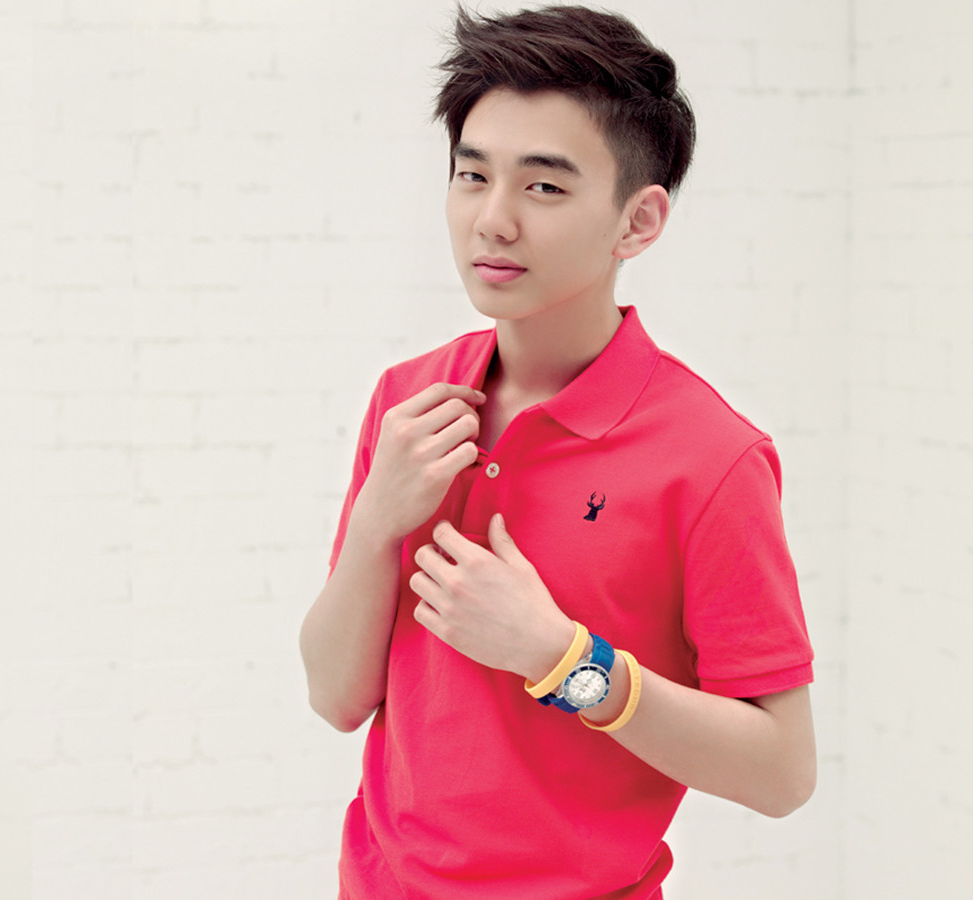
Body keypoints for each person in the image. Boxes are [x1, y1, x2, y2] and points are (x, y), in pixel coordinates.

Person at [298, 5, 816, 897]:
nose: (492, 221)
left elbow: (783, 771)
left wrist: (562, 660)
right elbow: (335, 697)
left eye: (543, 187)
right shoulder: (410, 402)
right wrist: (379, 521)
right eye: (472, 175)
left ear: (638, 221)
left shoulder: (712, 458)